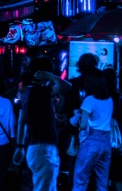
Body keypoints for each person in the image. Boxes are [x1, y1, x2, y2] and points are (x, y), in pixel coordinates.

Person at [17, 56, 70, 191]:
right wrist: (49, 75)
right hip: (43, 148)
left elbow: (21, 122)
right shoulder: (41, 91)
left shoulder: (27, 92)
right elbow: (66, 86)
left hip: (34, 147)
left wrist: (20, 147)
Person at [63, 52, 100, 188]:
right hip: (96, 132)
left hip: (76, 132)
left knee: (76, 168)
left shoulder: (72, 84)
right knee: (94, 170)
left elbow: (65, 108)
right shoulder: (101, 87)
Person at [72, 70, 113, 191]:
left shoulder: (89, 100)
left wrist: (76, 122)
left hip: (91, 140)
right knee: (102, 182)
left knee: (81, 179)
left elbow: (83, 125)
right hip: (106, 141)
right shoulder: (109, 99)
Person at [103, 68, 122, 191]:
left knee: (101, 179)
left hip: (101, 142)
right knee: (119, 179)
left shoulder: (99, 99)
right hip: (118, 145)